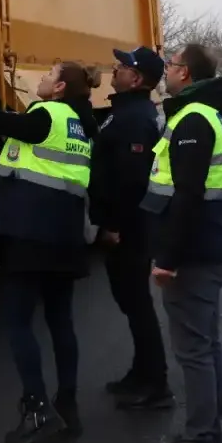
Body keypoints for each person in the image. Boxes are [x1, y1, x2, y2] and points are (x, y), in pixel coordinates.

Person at [0, 41, 100, 443]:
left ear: (60, 88)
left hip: (29, 238)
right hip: (64, 239)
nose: (41, 81)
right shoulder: (83, 125)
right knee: (61, 322)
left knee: (18, 322)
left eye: (48, 76)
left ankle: (38, 410)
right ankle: (67, 405)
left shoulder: (47, 114)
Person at [142, 44, 222, 443]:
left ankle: (200, 438)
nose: (167, 70)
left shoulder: (194, 120)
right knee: (207, 344)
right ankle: (211, 426)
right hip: (208, 244)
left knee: (194, 350)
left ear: (187, 74)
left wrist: (167, 259)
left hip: (194, 253)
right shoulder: (201, 113)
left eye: (172, 65)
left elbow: (186, 194)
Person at [89, 46, 174, 411]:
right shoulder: (125, 112)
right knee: (131, 303)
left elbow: (131, 182)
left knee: (137, 304)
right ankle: (141, 372)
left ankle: (155, 384)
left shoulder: (135, 118)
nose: (115, 68)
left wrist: (111, 226)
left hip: (130, 230)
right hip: (128, 228)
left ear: (136, 78)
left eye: (122, 66)